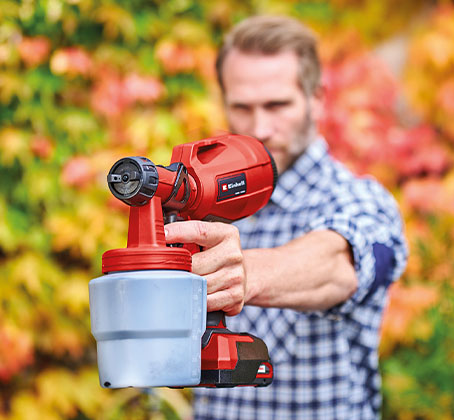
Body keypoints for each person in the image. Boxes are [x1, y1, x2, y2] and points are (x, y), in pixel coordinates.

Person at [163, 15, 408, 420]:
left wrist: (247, 273)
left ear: (316, 98)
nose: (260, 128)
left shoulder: (358, 199)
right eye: (242, 108)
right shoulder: (199, 205)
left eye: (277, 105)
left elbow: (340, 263)